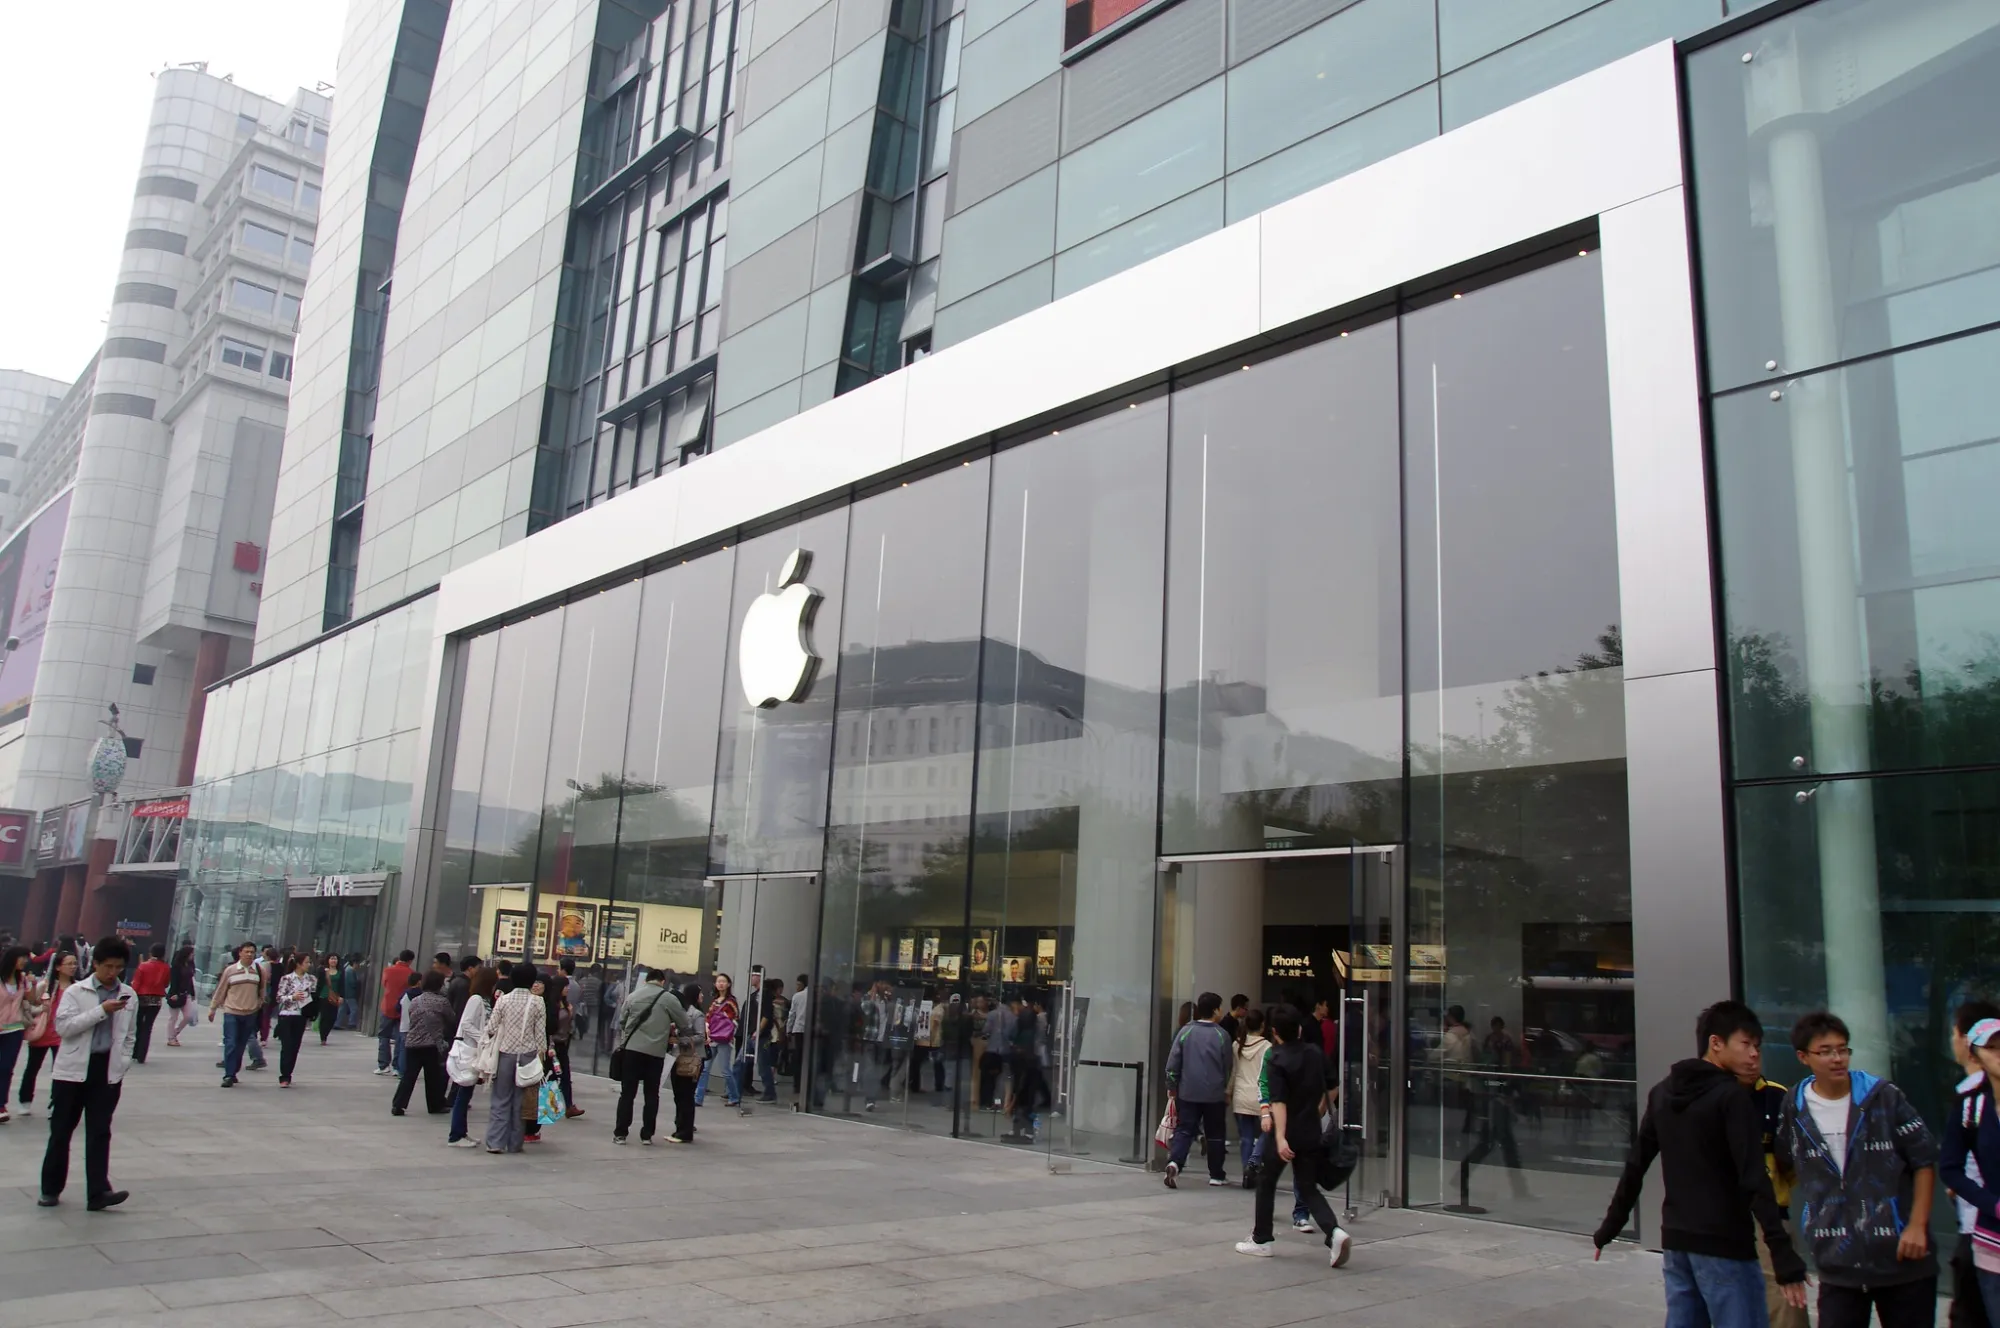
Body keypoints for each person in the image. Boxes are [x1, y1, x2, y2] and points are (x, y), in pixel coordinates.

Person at [1595, 1001, 1806, 1328]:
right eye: (1746, 1044)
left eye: (1757, 1047)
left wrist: (1610, 1227)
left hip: (1677, 1244)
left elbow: (1636, 1164)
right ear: (1716, 1043)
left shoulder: (1662, 1093)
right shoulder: (1731, 1097)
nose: (1753, 1054)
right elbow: (1754, 1176)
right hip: (1725, 1246)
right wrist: (1782, 1253)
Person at [1781, 1010, 1938, 1328]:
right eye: (1825, 1052)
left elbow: (1924, 1159)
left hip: (1901, 1259)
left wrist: (1917, 1225)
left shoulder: (1884, 1098)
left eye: (1842, 1049)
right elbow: (1788, 1163)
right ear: (1803, 1057)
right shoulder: (1794, 1106)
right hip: (1837, 1262)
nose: (1837, 1059)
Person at [1233, 1003, 1352, 1267]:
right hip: (1311, 1128)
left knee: (1266, 1180)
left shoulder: (1276, 1057)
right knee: (1308, 1187)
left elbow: (1279, 1102)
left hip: (1286, 1130)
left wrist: (1280, 1138)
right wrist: (1319, 1109)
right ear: (1299, 1028)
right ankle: (1334, 1232)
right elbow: (1333, 1087)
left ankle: (1262, 1239)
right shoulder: (1315, 1053)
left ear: (1274, 1032)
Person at [35, 937, 136, 1210]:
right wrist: (101, 1011)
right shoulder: (76, 992)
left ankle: (98, 1192)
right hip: (72, 1070)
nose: (112, 973)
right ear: (95, 964)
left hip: (106, 1071)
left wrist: (123, 1061)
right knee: (61, 1131)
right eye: (107, 966)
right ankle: (50, 1188)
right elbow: (64, 1028)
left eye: (118, 967)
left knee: (100, 1131)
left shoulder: (128, 994)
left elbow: (129, 1035)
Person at [1945, 1005, 2000, 1328]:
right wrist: (1990, 1203)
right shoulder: (1970, 1106)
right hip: (1992, 1241)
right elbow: (1950, 1168)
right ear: (1975, 1056)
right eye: (1991, 1048)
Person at [613, 968, 696, 1145]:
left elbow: (622, 1021)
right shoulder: (668, 998)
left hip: (632, 1051)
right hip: (655, 1053)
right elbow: (684, 1022)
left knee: (627, 1093)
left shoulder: (633, 996)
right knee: (651, 1094)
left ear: (646, 980)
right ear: (662, 981)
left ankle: (620, 1133)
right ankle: (646, 1135)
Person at [1164, 991, 1234, 1188]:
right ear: (1214, 1010)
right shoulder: (1222, 1035)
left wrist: (1172, 1086)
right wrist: (1226, 1091)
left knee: (1185, 1129)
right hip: (1214, 1094)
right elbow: (1227, 1066)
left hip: (1187, 1091)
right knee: (1215, 1133)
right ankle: (1216, 1174)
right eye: (1220, 1007)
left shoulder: (1185, 1032)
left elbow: (1172, 1063)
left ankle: (1175, 1162)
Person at [481, 962, 549, 1153]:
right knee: (521, 1102)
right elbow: (540, 1034)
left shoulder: (504, 1000)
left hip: (505, 1054)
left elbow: (491, 1028)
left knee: (500, 1098)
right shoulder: (537, 1002)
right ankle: (515, 1143)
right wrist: (541, 1057)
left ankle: (495, 1142)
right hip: (527, 1055)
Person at [444, 964, 497, 1147]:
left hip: (474, 1049)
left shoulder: (485, 1000)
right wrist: (483, 1038)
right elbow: (466, 1023)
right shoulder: (476, 999)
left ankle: (461, 1132)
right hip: (469, 1050)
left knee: (465, 1093)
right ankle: (456, 1135)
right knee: (463, 1093)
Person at [19, 951, 78, 1110]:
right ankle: (25, 1101)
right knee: (32, 1068)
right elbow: (30, 1004)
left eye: (75, 963)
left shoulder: (77, 987)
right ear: (58, 967)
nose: (73, 967)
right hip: (42, 1033)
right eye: (69, 964)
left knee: (60, 1072)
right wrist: (40, 1007)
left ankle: (56, 1103)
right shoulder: (46, 985)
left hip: (63, 1035)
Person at [394, 970, 456, 1116]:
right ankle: (435, 1105)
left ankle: (398, 1104)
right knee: (433, 1077)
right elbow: (452, 1019)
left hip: (413, 1043)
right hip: (431, 1044)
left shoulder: (416, 1001)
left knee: (409, 1076)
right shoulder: (442, 1002)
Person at [207, 942, 268, 1086]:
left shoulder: (260, 971)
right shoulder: (230, 970)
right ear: (240, 953)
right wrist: (213, 1008)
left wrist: (259, 1004)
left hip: (250, 1013)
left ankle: (233, 1071)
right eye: (246, 952)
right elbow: (221, 989)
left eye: (252, 952)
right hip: (231, 1011)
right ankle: (228, 1075)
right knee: (231, 1043)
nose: (249, 954)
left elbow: (262, 991)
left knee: (241, 1045)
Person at [1231, 1007, 1273, 1191]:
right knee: (1268, 1131)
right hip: (1260, 1096)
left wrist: (1228, 1091)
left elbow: (1233, 1072)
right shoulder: (1267, 1047)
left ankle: (1246, 1174)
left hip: (1240, 1095)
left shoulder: (1236, 1045)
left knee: (1246, 1137)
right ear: (1263, 1026)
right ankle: (1254, 1162)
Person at [269, 952, 316, 1087]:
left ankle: (289, 1073)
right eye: (306, 962)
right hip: (287, 1014)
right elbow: (279, 997)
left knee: (295, 1047)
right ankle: (284, 1076)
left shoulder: (312, 979)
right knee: (287, 1046)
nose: (309, 965)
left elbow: (314, 996)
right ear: (299, 964)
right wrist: (292, 997)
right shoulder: (287, 979)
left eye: (309, 962)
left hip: (301, 1015)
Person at [669, 983, 707, 1142]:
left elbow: (701, 1036)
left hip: (692, 1059)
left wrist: (681, 1039)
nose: (703, 996)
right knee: (678, 1094)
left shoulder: (697, 1014)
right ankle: (679, 1126)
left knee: (686, 1095)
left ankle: (686, 1130)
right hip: (678, 1056)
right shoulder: (680, 1012)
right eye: (700, 993)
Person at [695, 973, 739, 1108]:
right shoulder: (715, 1001)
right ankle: (698, 1098)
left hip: (724, 1040)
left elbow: (735, 1019)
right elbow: (708, 1018)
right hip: (713, 1038)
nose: (720, 984)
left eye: (723, 981)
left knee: (725, 1070)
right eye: (718, 981)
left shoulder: (731, 1001)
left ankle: (734, 1096)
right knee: (705, 1069)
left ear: (729, 984)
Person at [0, 946, 31, 1123]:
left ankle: (1, 1105)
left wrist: (35, 986)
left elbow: (31, 999)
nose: (25, 961)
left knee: (6, 1068)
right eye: (22, 958)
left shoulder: (23, 980)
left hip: (15, 1029)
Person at [375, 950, 415, 1076]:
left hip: (387, 1006)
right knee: (400, 1037)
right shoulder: (411, 973)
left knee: (383, 1036)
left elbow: (385, 985)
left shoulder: (388, 971)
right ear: (410, 960)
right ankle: (397, 1066)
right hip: (403, 1008)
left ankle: (383, 1065)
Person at [128, 944, 170, 1064]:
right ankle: (142, 1055)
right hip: (156, 999)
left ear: (151, 953)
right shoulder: (166, 967)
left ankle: (135, 1051)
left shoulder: (143, 966)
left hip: (141, 997)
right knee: (148, 1027)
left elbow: (136, 983)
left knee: (138, 1025)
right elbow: (166, 984)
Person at [164, 943, 198, 1047]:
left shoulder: (191, 965)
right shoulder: (176, 966)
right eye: (191, 954)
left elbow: (190, 980)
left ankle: (175, 1032)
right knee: (173, 1017)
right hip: (176, 993)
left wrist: (192, 993)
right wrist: (173, 993)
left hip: (186, 994)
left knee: (188, 1016)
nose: (193, 956)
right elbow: (174, 981)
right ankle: (171, 1038)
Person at [315, 954, 342, 1044]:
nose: (334, 961)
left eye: (335, 959)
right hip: (324, 996)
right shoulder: (323, 971)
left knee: (332, 1017)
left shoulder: (340, 972)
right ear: (328, 960)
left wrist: (341, 996)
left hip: (335, 997)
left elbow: (342, 985)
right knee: (324, 1016)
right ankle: (323, 1037)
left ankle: (326, 1033)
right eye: (332, 959)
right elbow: (318, 983)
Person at [447, 955, 478, 1019]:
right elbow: (460, 1009)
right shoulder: (464, 985)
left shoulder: (457, 980)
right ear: (470, 968)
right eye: (479, 968)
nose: (480, 971)